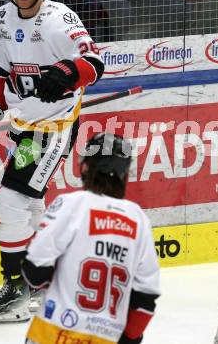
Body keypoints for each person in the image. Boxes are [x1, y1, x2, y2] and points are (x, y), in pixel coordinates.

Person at [0, 0, 104, 323]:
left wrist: (66, 71)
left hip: (53, 127)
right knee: (30, 206)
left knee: (10, 199)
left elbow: (94, 61)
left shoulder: (60, 18)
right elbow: (0, 73)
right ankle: (50, 282)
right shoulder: (0, 19)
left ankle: (16, 289)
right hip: (22, 126)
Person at [21, 133, 160, 344]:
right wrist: (128, 338)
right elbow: (145, 300)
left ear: (85, 167)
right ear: (125, 174)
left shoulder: (71, 204)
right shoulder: (138, 218)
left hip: (52, 336)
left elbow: (34, 271)